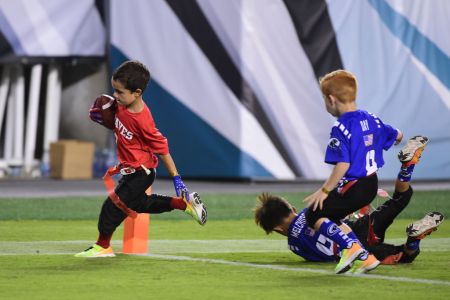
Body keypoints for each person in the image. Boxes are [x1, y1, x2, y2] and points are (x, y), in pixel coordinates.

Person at [254, 135, 444, 273]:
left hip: (357, 247)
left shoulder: (294, 246)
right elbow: (339, 216)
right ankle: (407, 166)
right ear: (292, 209)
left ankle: (414, 240)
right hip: (361, 226)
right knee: (399, 200)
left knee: (405, 255)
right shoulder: (313, 211)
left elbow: (322, 256)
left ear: (278, 229)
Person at [76, 60, 207, 258]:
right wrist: (108, 121)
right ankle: (184, 205)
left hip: (141, 172)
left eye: (120, 92)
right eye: (114, 90)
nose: (115, 95)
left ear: (136, 93)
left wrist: (176, 177)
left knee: (113, 206)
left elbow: (162, 148)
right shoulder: (121, 105)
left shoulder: (143, 119)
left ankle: (103, 246)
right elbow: (122, 128)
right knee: (140, 204)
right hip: (133, 170)